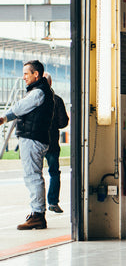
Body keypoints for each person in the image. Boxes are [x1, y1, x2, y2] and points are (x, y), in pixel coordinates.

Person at [0, 60, 54, 229]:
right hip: (35, 137)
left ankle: (38, 214)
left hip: (32, 138)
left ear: (35, 74)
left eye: (26, 74)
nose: (23, 77)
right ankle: (37, 213)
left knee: (32, 176)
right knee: (33, 175)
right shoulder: (41, 90)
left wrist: (4, 118)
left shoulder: (38, 92)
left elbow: (19, 108)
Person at [43, 72, 69, 214]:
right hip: (52, 142)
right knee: (54, 173)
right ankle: (53, 202)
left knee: (35, 174)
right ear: (51, 83)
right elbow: (63, 122)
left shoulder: (32, 98)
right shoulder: (57, 100)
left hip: (36, 141)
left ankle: (38, 206)